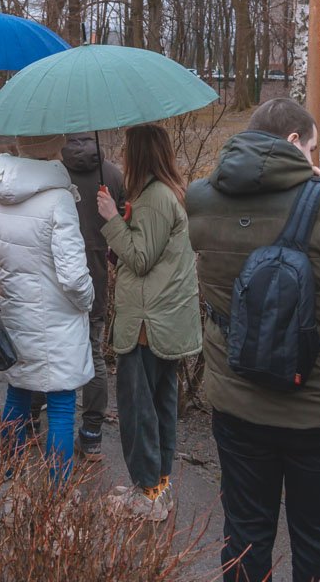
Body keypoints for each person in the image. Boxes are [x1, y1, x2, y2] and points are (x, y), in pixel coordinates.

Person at [185, 98, 320, 582]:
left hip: (236, 403)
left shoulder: (199, 197)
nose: (318, 158)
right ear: (294, 143)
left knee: (243, 533)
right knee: (318, 537)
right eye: (315, 147)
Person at [0, 134, 95, 484]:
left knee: (19, 391)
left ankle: (7, 477)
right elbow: (73, 277)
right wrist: (87, 301)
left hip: (13, 310)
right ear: (55, 149)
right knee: (60, 403)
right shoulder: (58, 198)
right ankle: (57, 493)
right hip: (58, 318)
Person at [97, 125, 201, 521]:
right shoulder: (160, 194)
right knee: (157, 405)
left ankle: (148, 494)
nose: (122, 157)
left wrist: (110, 218)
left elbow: (139, 258)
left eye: (126, 151)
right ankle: (155, 485)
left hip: (148, 324)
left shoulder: (155, 198)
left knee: (140, 409)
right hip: (159, 320)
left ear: (139, 155)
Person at [61, 133, 124, 462]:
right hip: (96, 279)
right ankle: (92, 435)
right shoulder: (112, 174)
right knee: (95, 355)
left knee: (56, 352)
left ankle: (51, 428)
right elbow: (123, 224)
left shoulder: (55, 172)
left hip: (58, 283)